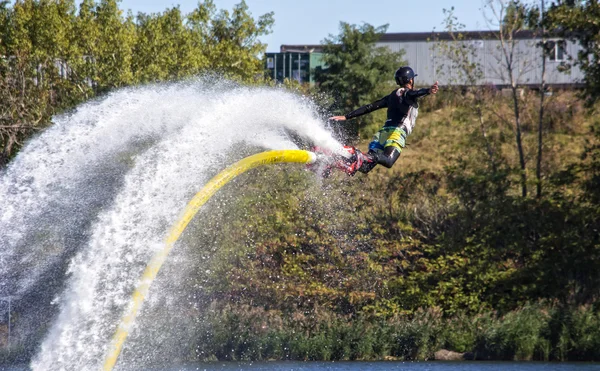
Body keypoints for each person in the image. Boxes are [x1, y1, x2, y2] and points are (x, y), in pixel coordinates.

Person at [328, 66, 439, 175]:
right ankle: (355, 154)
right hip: (396, 132)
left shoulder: (391, 96)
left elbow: (370, 107)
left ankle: (336, 160)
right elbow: (414, 93)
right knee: (389, 161)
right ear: (411, 79)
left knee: (365, 167)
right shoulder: (406, 93)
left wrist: (347, 116)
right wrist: (428, 91)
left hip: (383, 134)